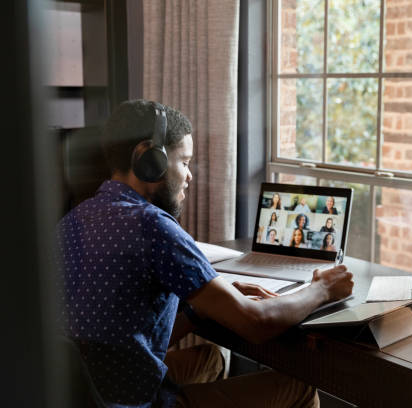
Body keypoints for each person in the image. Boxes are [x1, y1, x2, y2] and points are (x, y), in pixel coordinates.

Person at [57, 100, 353, 408]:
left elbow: (123, 339)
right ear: (149, 159)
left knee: (210, 358)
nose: (189, 176)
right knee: (300, 390)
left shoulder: (72, 221)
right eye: (184, 162)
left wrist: (201, 311)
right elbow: (256, 323)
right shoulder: (153, 226)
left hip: (94, 392)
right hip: (136, 403)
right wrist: (323, 288)